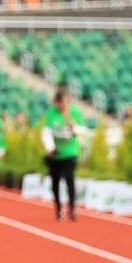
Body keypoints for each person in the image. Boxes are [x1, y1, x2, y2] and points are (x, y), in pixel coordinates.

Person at [41, 87, 80, 221]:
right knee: (55, 182)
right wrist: (50, 147)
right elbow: (46, 131)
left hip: (70, 152)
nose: (63, 105)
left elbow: (79, 131)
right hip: (55, 154)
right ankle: (58, 208)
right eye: (60, 102)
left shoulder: (74, 112)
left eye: (65, 102)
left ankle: (72, 209)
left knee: (70, 180)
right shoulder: (51, 113)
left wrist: (69, 119)